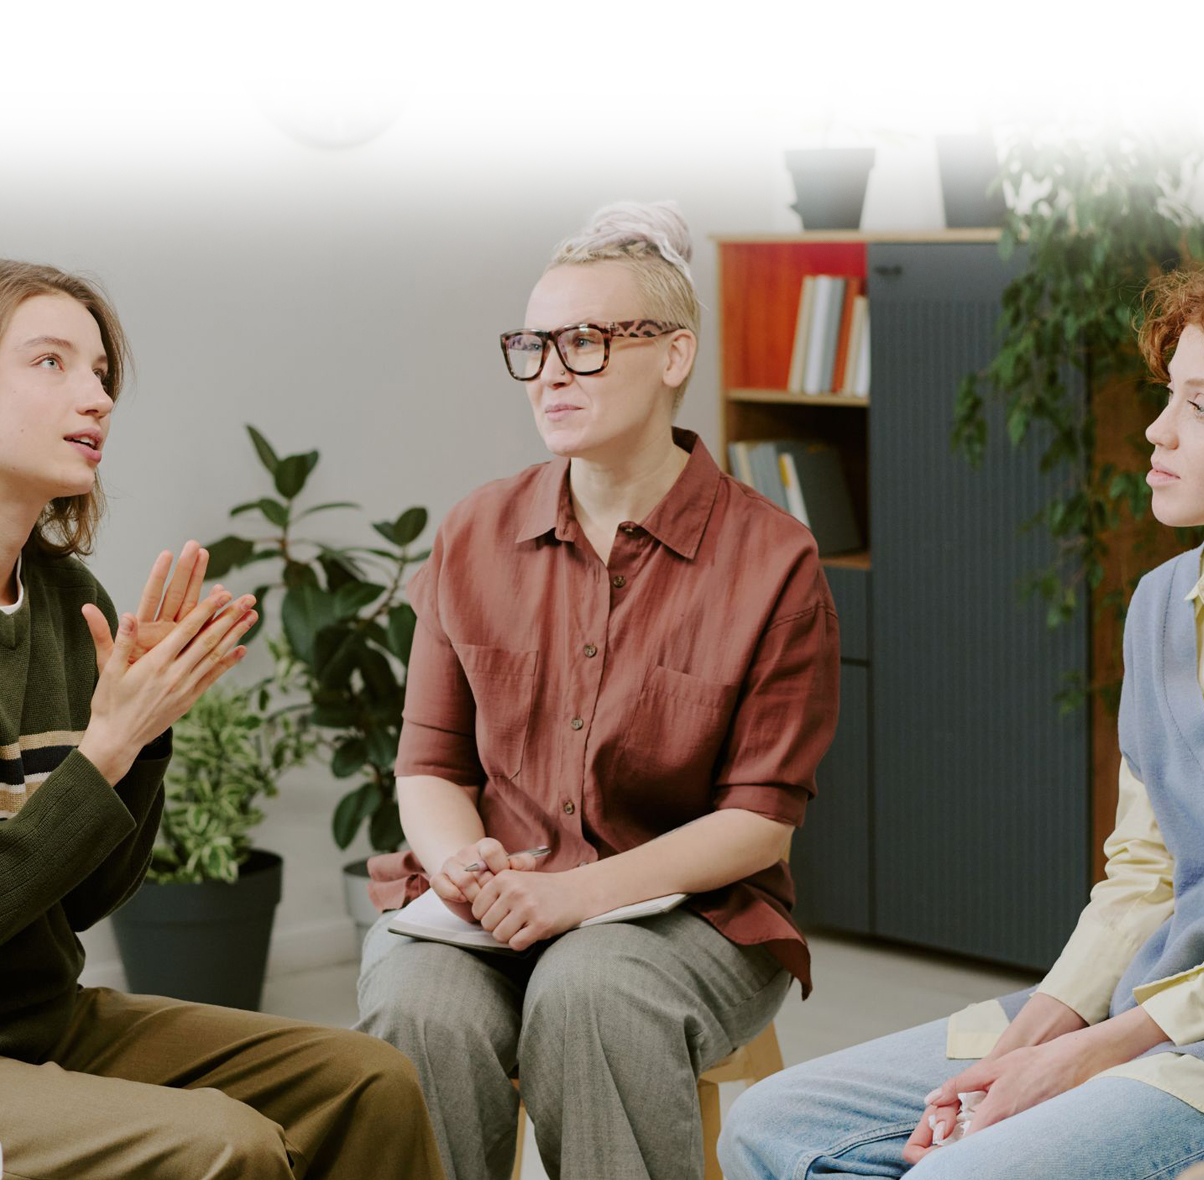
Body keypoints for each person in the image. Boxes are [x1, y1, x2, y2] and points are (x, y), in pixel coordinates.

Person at [719, 256, 1204, 1178]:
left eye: (1202, 406)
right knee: (776, 1121)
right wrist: (1038, 1039)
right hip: (1140, 1009)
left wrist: (1085, 1058)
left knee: (957, 1172)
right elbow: (1143, 875)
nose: (1156, 432)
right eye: (1168, 397)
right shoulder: (1166, 605)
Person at [0, 259, 444, 1180]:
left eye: (102, 373)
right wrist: (107, 746)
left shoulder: (65, 598)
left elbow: (79, 898)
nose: (98, 396)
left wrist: (145, 730)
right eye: (52, 363)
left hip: (37, 1021)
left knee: (369, 1080)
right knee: (224, 1151)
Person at [354, 201, 842, 1180]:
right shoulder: (471, 534)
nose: (549, 373)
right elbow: (428, 766)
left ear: (672, 355)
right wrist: (463, 871)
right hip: (498, 901)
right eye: (532, 347)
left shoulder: (772, 558)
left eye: (582, 342)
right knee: (417, 1004)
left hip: (689, 918)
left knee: (588, 992)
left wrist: (569, 897)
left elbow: (757, 824)